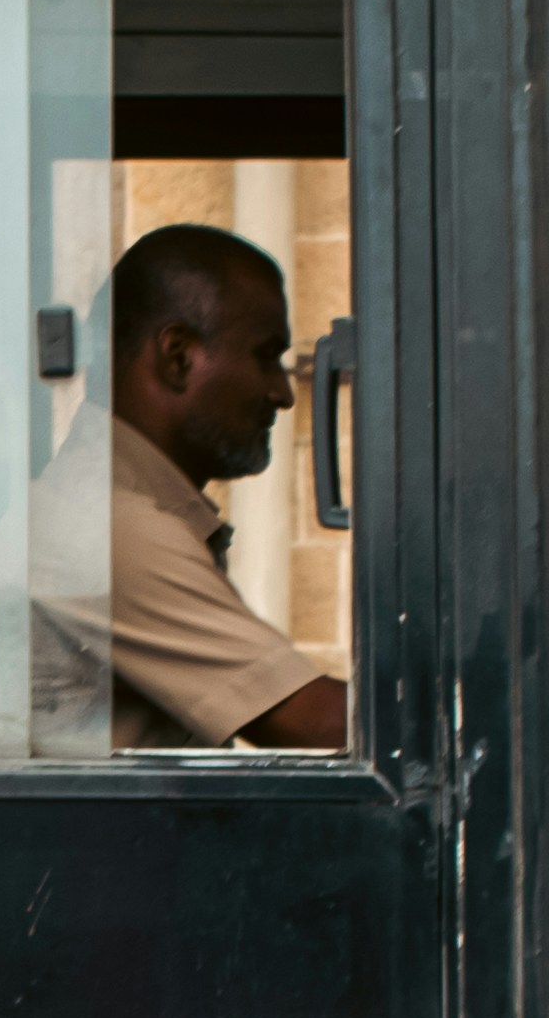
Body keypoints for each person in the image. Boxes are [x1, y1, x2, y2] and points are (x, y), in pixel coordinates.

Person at [42, 221, 347, 752]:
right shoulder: (109, 525)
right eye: (265, 356)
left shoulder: (115, 509)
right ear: (178, 356)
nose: (283, 394)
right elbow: (316, 722)